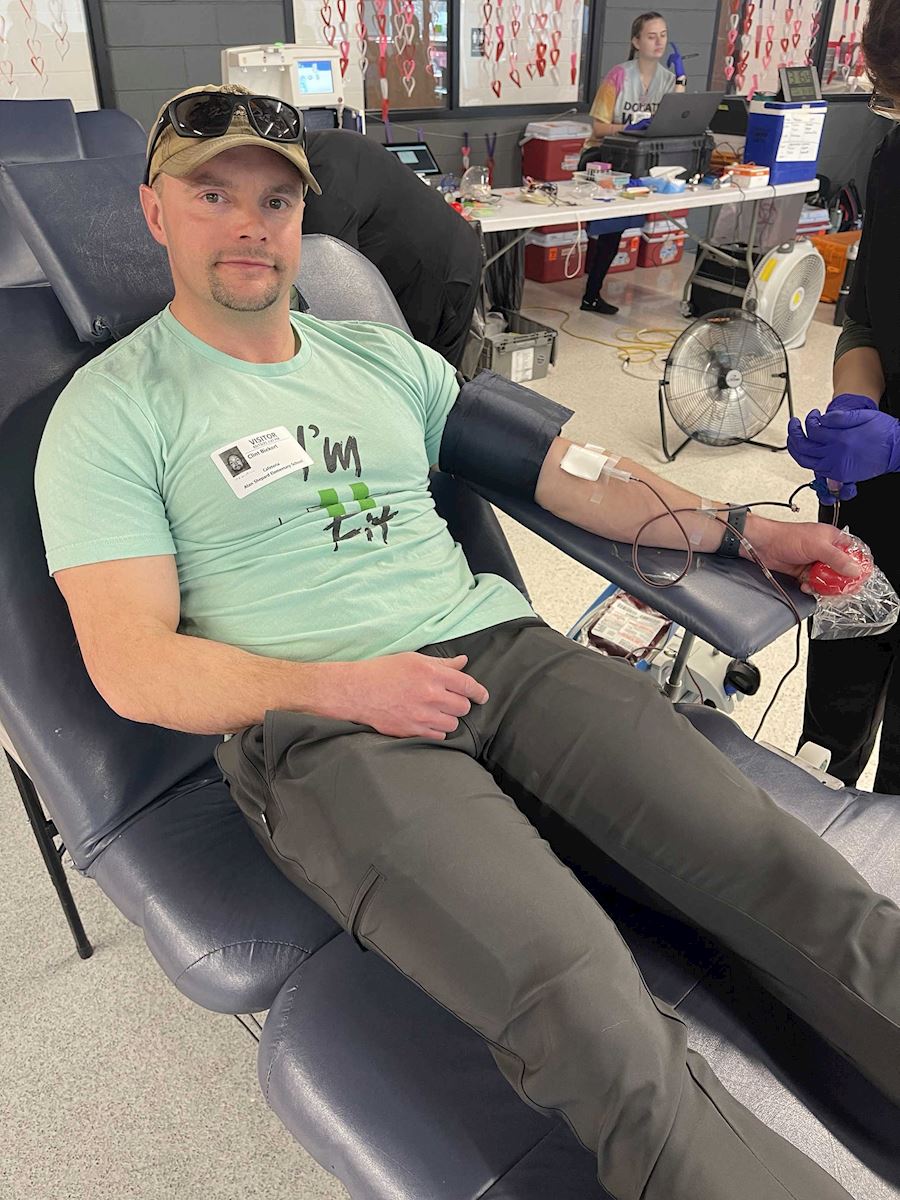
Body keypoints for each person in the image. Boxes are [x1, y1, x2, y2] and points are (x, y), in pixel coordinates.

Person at [34, 83, 899, 1200]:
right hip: (328, 733)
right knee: (600, 1031)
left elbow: (574, 473)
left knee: (794, 878)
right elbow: (134, 663)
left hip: (502, 656)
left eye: (275, 202)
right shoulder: (111, 411)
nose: (249, 223)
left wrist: (743, 527)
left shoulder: (381, 360)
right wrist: (346, 689)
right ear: (157, 214)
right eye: (213, 194)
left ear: (305, 220)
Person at [786, 0, 900, 792]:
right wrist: (857, 402)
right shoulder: (895, 159)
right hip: (879, 491)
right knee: (840, 690)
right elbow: (864, 311)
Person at [302, 128, 483, 368]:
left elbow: (331, 294)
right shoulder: (325, 145)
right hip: (435, 251)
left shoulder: (323, 184)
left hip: (437, 271)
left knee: (421, 376)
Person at [580, 12, 686, 315]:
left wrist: (680, 81)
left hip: (640, 161)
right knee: (609, 228)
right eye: (651, 36)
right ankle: (590, 293)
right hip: (606, 159)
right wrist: (629, 127)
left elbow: (675, 122)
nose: (659, 42)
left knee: (619, 229)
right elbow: (599, 128)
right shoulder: (618, 76)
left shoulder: (667, 79)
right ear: (636, 41)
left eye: (663, 35)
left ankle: (592, 291)